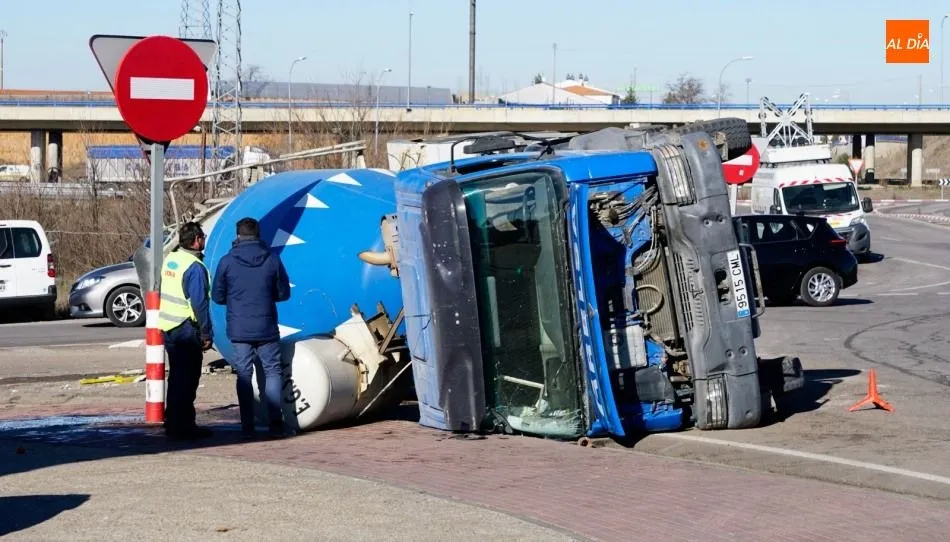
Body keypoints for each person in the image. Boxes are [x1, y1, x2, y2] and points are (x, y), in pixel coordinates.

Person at [211, 217, 292, 439]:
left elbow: (217, 296)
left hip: (239, 328)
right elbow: (284, 293)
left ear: (237, 235)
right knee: (273, 371)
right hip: (266, 326)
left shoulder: (227, 261)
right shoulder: (272, 259)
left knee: (244, 374)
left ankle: (247, 422)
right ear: (258, 234)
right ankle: (276, 420)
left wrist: (235, 299)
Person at [156, 222, 214, 440]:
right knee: (188, 378)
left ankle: (173, 420)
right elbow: (199, 303)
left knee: (177, 376)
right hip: (186, 328)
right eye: (203, 237)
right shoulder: (194, 267)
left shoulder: (172, 259)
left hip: (169, 327)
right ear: (197, 239)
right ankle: (185, 425)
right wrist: (206, 333)